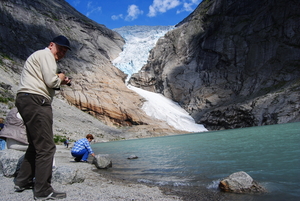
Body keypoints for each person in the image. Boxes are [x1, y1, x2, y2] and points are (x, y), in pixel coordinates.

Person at [13, 35, 72, 200]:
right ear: (51, 45)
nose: (62, 53)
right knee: (47, 147)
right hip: (36, 100)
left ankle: (22, 181)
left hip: (25, 99)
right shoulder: (46, 55)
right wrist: (60, 77)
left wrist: (62, 81)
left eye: (65, 51)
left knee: (35, 145)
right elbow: (51, 82)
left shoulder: (39, 56)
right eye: (60, 49)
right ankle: (43, 190)